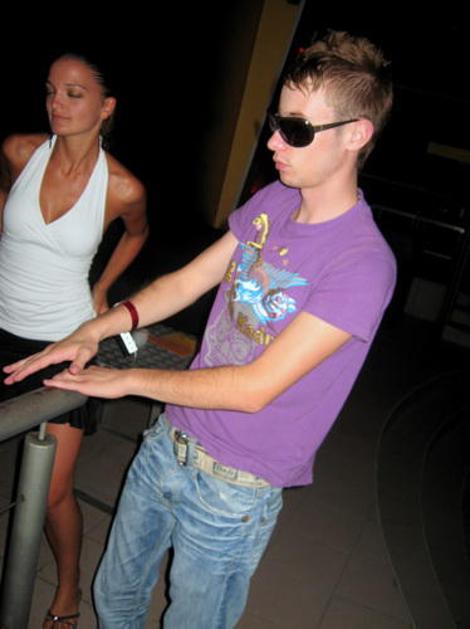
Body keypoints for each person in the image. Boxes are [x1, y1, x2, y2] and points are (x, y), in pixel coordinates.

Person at [4, 30, 395, 628]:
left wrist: (126, 378)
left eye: (295, 130)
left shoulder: (362, 263)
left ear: (356, 135)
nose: (272, 142)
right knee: (114, 599)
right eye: (276, 122)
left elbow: (253, 388)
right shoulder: (274, 202)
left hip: (235, 487)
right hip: (169, 441)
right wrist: (97, 328)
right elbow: (188, 281)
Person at [0, 53, 148, 627]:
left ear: (106, 107)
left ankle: (67, 588)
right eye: (50, 91)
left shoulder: (123, 187)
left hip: (63, 343)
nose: (55, 104)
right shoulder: (19, 151)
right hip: (1, 326)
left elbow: (137, 236)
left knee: (52, 491)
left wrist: (103, 288)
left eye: (73, 93)